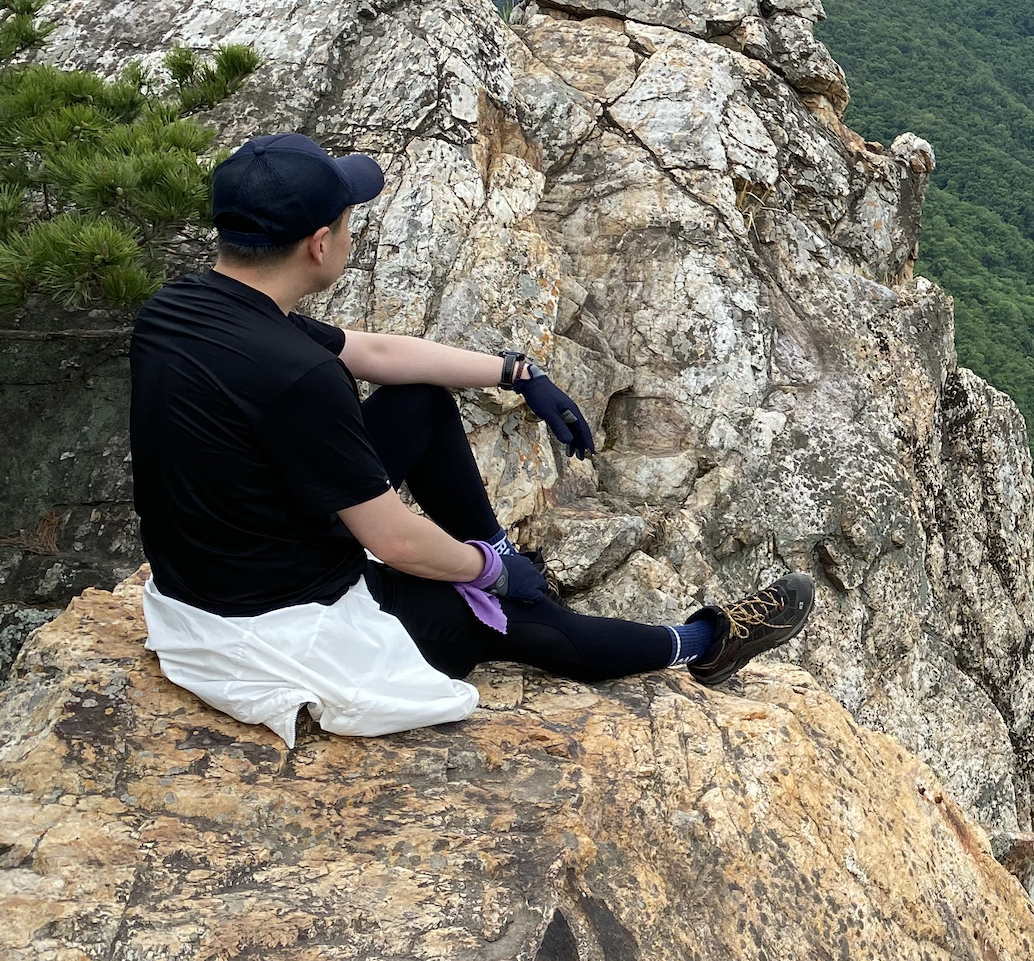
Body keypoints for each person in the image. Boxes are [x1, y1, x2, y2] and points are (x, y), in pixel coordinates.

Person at [128, 132, 816, 745]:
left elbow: (378, 356)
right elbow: (392, 540)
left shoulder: (182, 310)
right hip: (272, 621)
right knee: (525, 629)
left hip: (219, 562)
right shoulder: (297, 377)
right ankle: (706, 643)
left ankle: (502, 564)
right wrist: (484, 572)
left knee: (418, 402)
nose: (350, 235)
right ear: (319, 244)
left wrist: (517, 374)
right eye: (347, 223)